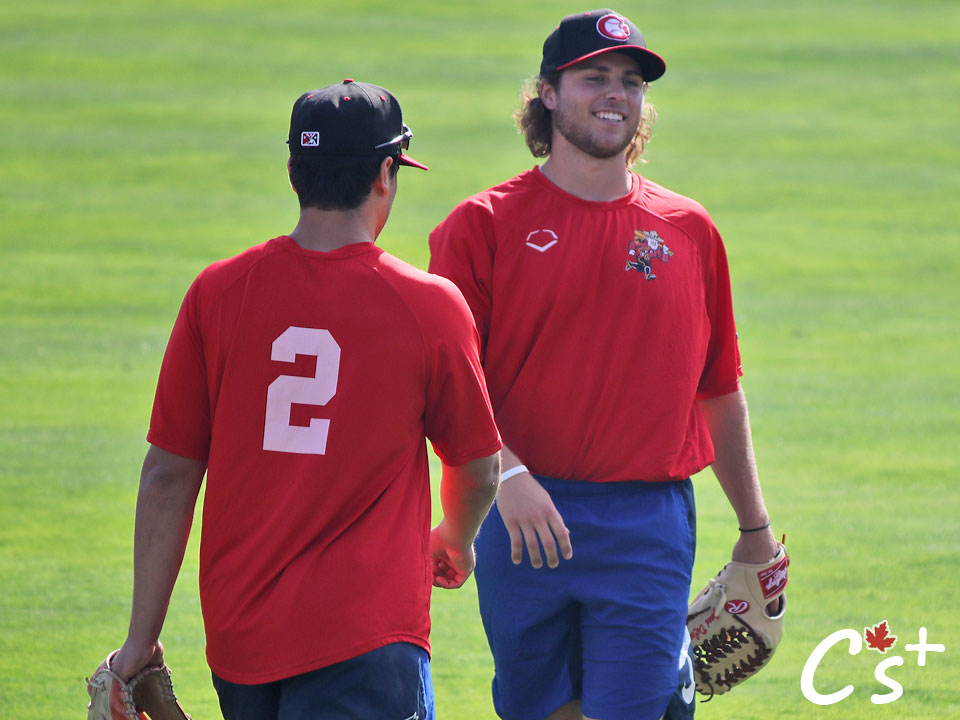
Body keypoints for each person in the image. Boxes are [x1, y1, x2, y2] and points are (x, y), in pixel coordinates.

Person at [108, 79, 503, 720]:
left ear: (294, 172)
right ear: (385, 172)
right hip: (368, 637)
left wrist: (140, 639)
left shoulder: (217, 293)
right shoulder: (430, 306)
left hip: (242, 644)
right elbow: (479, 467)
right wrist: (455, 541)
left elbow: (167, 475)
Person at [428, 10, 780, 720]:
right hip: (521, 518)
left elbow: (718, 388)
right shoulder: (483, 226)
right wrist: (510, 476)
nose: (615, 93)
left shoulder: (689, 229)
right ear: (549, 94)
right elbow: (447, 387)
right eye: (594, 77)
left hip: (645, 522)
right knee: (539, 710)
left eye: (630, 81)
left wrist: (756, 532)